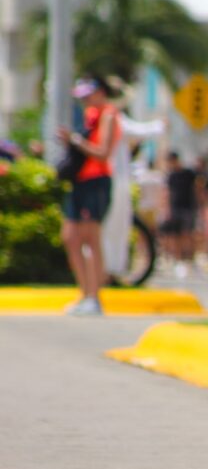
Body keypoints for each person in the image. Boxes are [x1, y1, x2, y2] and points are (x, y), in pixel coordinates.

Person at [58, 75, 121, 316]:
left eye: (88, 96)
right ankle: (84, 294)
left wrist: (74, 140)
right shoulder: (89, 116)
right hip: (79, 181)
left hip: (96, 181)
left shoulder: (108, 114)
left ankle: (95, 297)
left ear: (100, 92)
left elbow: (103, 153)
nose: (84, 101)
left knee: (91, 239)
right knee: (70, 237)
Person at [158, 151, 200, 276]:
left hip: (188, 206)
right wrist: (166, 209)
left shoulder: (188, 173)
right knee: (174, 234)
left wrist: (199, 205)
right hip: (175, 207)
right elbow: (167, 193)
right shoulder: (171, 176)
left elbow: (196, 188)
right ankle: (178, 259)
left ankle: (188, 260)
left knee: (187, 234)